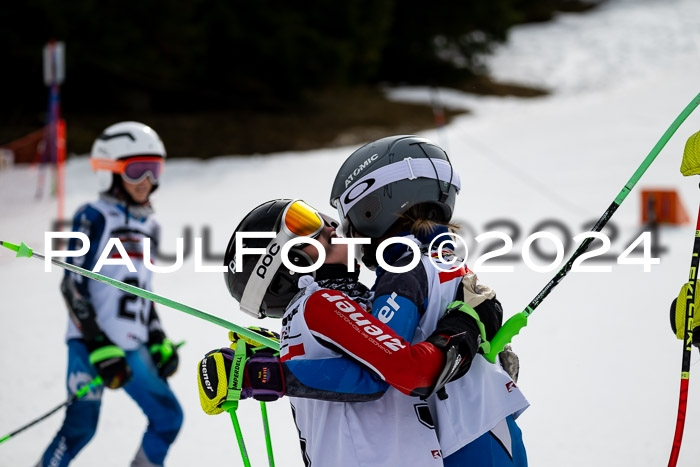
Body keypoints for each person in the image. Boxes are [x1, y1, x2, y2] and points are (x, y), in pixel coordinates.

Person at [199, 199, 513, 465]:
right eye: (306, 225)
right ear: (288, 261)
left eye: (321, 217)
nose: (331, 226)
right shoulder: (323, 301)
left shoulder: (320, 309)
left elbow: (367, 358)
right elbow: (380, 376)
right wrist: (466, 324)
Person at [330, 134, 529, 466]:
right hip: (494, 430)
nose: (347, 234)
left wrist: (276, 370)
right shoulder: (446, 260)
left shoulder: (403, 271)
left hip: (461, 443)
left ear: (373, 205)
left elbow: (377, 364)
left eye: (348, 217)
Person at [38, 122, 183, 467]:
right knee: (80, 428)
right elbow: (71, 283)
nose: (147, 180)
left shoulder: (151, 226)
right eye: (136, 171)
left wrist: (157, 336)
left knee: (168, 418)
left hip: (131, 346)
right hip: (90, 346)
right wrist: (97, 343)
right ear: (110, 173)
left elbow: (143, 292)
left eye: (154, 169)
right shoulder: (94, 217)